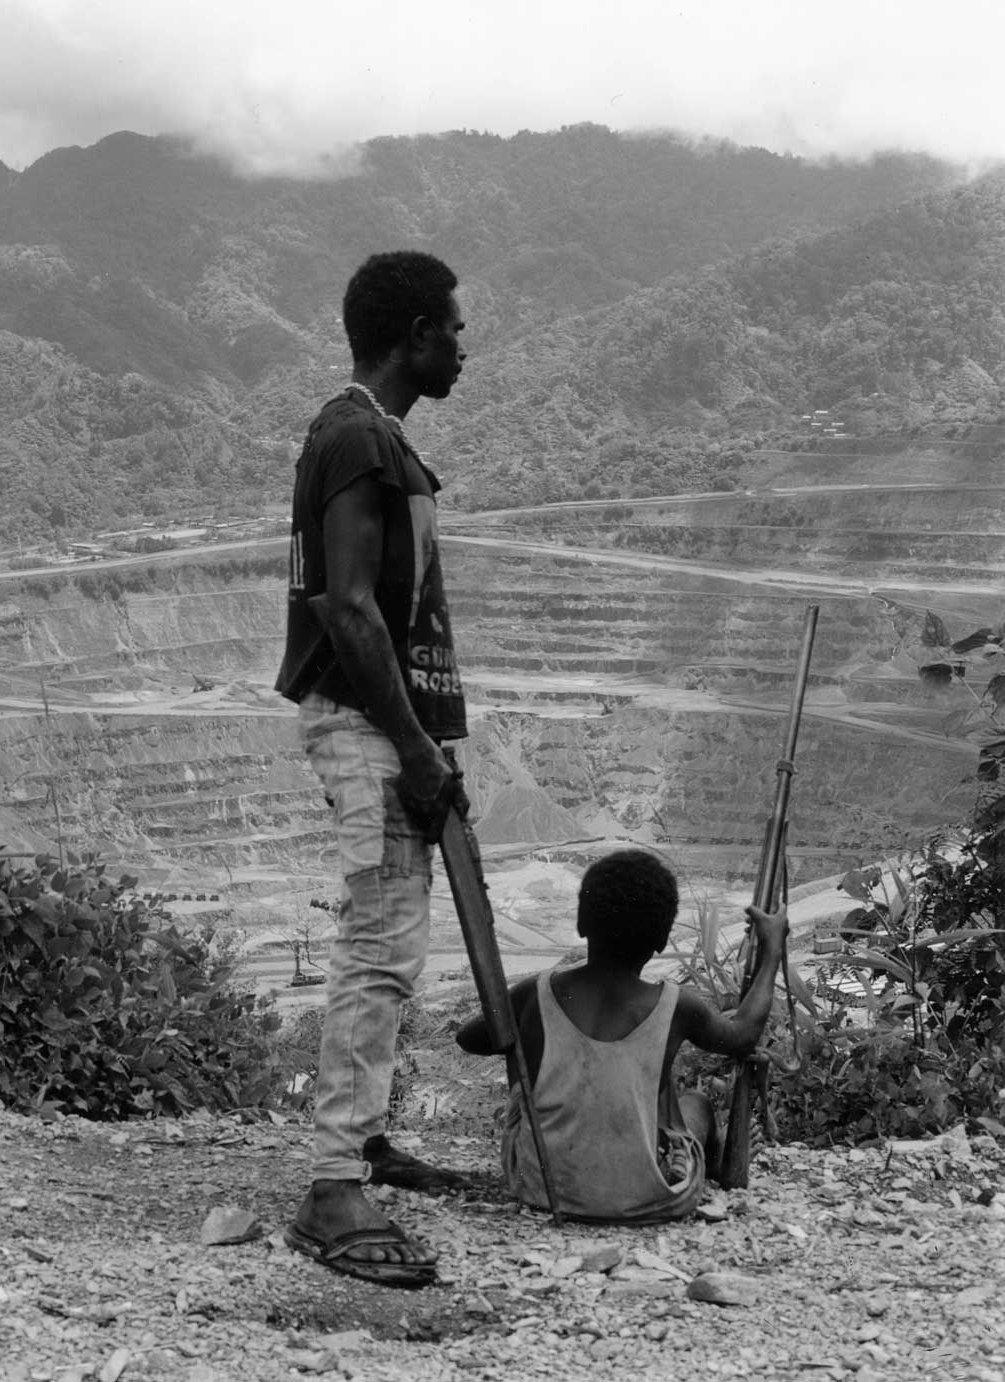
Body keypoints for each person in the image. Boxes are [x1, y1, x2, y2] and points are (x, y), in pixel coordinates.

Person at [273, 250, 471, 1288]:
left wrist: (430, 739)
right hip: (367, 725)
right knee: (381, 942)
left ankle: (364, 1143)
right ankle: (332, 1181)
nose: (463, 345)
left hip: (388, 725)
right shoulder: (356, 436)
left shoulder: (371, 438)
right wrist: (410, 741)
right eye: (452, 326)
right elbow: (347, 608)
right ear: (414, 336)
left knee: (395, 938)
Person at [456, 849, 790, 1221]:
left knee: (530, 1062)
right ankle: (706, 1159)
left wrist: (525, 1026)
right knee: (695, 1104)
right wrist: (772, 949)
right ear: (662, 938)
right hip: (649, 1199)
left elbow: (470, 1039)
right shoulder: (676, 1006)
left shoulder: (536, 993)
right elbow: (743, 1037)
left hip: (540, 1190)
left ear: (582, 923)